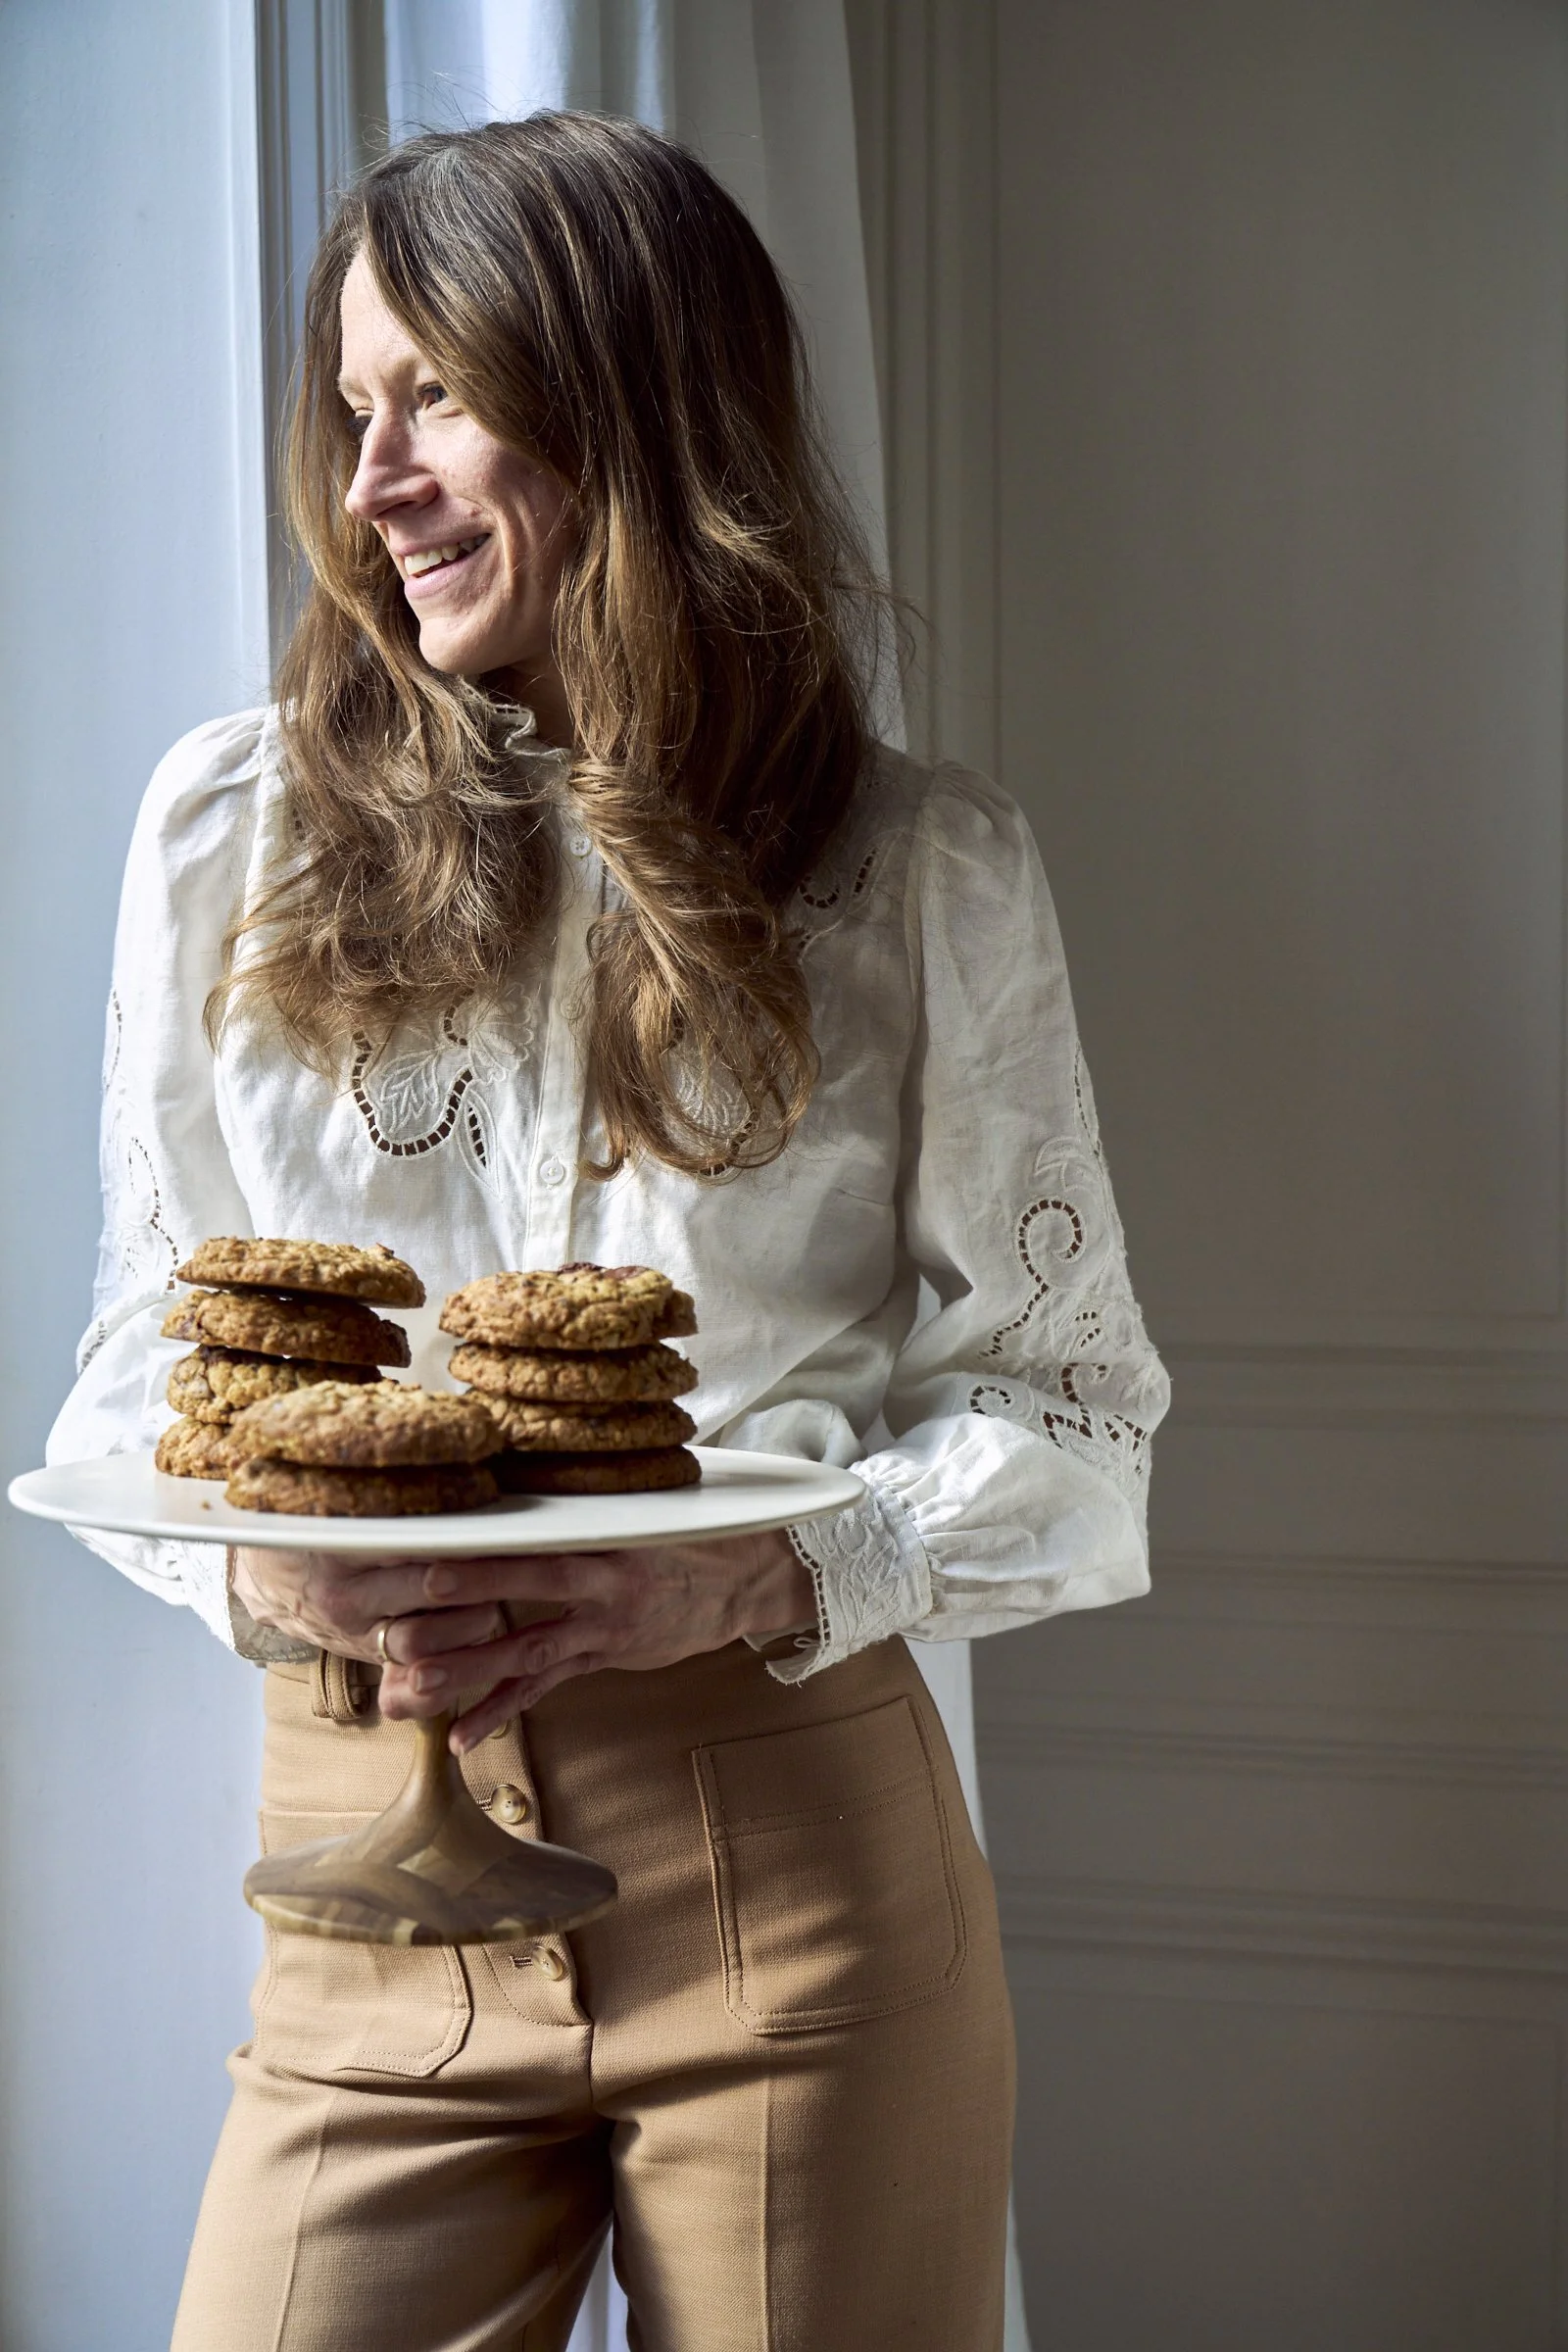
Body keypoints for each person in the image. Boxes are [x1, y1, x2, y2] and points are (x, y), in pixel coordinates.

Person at [48, 112, 1168, 2352]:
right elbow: (135, 1368)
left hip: (789, 1869)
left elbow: (1073, 1418)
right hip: (360, 1871)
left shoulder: (915, 865)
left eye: (434, 395)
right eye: (351, 410)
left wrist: (752, 1566)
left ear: (634, 402)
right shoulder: (222, 833)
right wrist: (257, 1564)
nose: (368, 479)